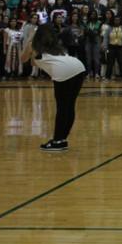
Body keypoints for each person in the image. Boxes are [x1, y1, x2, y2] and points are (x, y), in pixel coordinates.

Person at [20, 24, 86, 152]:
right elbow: (34, 62)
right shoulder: (55, 47)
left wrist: (29, 38)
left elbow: (23, 59)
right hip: (78, 67)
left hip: (64, 72)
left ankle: (57, 141)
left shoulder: (33, 46)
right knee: (69, 106)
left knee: (62, 107)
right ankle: (62, 139)